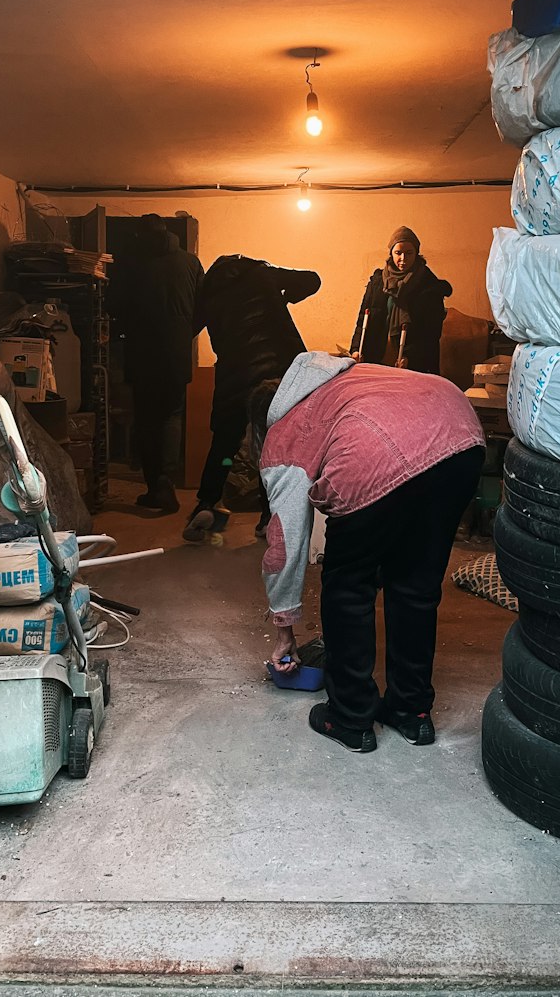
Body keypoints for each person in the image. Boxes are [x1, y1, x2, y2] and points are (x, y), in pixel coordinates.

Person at [250, 351, 484, 753]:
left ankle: (350, 717)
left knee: (348, 585)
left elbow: (285, 541)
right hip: (460, 436)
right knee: (415, 584)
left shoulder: (285, 430)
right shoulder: (351, 378)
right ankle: (412, 713)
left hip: (376, 452)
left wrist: (284, 627)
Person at [183, 254, 321, 542]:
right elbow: (312, 280)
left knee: (224, 445)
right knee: (269, 446)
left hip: (233, 375)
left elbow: (187, 327)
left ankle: (207, 502)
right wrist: (285, 297)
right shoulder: (262, 274)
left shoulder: (209, 291)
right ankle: (267, 515)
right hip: (276, 375)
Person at [109, 214, 203, 513]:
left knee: (147, 421)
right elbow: (204, 306)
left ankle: (156, 488)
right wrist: (185, 332)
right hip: (176, 354)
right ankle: (167, 483)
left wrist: (124, 334)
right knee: (171, 417)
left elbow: (115, 307)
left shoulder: (131, 264)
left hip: (142, 353)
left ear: (139, 235)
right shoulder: (190, 263)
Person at [350, 225, 452, 374]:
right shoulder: (378, 281)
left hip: (411, 363)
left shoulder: (429, 287)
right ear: (391, 252)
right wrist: (355, 349)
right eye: (398, 253)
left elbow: (431, 332)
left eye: (409, 253)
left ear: (416, 253)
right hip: (377, 358)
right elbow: (363, 319)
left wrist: (411, 356)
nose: (403, 259)